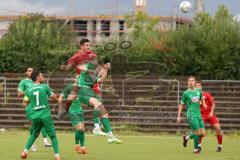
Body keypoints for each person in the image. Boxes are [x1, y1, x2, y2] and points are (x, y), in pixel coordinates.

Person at [59, 38, 107, 136]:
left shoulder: (92, 54)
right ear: (81, 46)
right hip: (80, 81)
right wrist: (64, 67)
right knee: (71, 98)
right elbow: (68, 67)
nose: (88, 47)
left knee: (98, 102)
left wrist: (99, 71)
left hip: (91, 80)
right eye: (86, 45)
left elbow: (96, 65)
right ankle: (65, 110)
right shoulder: (76, 56)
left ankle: (96, 127)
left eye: (89, 45)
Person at [76, 59, 122, 144]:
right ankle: (96, 127)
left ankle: (110, 137)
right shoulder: (89, 66)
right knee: (97, 104)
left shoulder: (94, 76)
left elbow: (101, 80)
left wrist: (106, 70)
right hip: (82, 90)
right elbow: (80, 67)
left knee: (104, 114)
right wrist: (92, 70)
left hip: (89, 91)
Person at [20, 71, 60, 160]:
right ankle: (57, 156)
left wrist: (33, 104)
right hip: (45, 114)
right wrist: (59, 99)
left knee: (34, 134)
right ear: (38, 77)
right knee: (52, 135)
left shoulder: (28, 90)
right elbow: (54, 98)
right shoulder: (45, 87)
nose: (43, 77)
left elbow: (24, 104)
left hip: (35, 115)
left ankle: (24, 152)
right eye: (41, 75)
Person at [18, 67, 52, 152]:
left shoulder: (38, 82)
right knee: (33, 125)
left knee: (42, 122)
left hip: (39, 105)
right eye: (29, 70)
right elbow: (19, 94)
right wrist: (28, 91)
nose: (30, 72)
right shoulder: (23, 82)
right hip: (30, 106)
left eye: (32, 71)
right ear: (26, 73)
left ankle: (45, 141)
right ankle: (33, 144)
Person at [177, 76, 206, 153]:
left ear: (195, 82)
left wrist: (204, 103)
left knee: (203, 133)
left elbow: (201, 98)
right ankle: (196, 149)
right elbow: (181, 105)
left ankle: (186, 138)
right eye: (189, 81)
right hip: (191, 114)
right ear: (188, 83)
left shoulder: (199, 90)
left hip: (198, 114)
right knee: (197, 132)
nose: (191, 82)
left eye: (192, 81)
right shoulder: (186, 93)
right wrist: (178, 116)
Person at [58, 81, 87, 154]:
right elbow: (61, 96)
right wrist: (60, 108)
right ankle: (80, 147)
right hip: (72, 111)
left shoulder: (82, 88)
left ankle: (79, 146)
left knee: (82, 129)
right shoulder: (69, 87)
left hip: (80, 111)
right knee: (80, 128)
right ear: (75, 79)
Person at [196, 82, 223, 152]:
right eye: (197, 86)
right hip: (201, 116)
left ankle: (219, 145)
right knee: (201, 132)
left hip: (210, 115)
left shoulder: (207, 94)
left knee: (218, 128)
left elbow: (213, 104)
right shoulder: (194, 97)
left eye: (199, 85)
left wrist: (211, 112)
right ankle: (199, 146)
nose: (198, 87)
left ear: (201, 87)